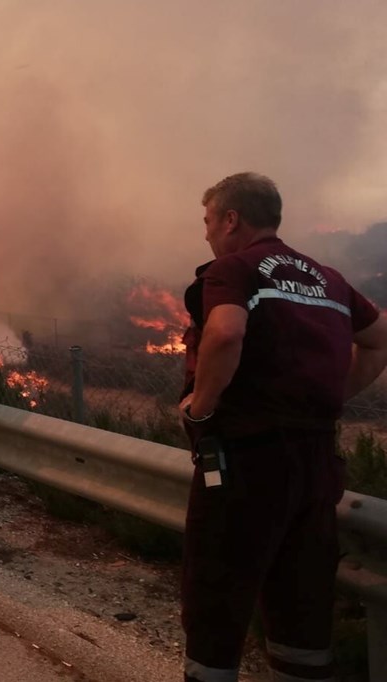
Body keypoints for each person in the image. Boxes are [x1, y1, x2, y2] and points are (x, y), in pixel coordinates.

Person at [178, 172, 387, 682]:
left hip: (246, 460)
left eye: (208, 221)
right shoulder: (328, 278)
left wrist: (200, 407)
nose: (206, 233)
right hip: (316, 463)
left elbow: (225, 333)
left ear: (231, 219)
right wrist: (335, 396)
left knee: (218, 588)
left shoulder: (233, 268)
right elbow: (380, 337)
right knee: (303, 590)